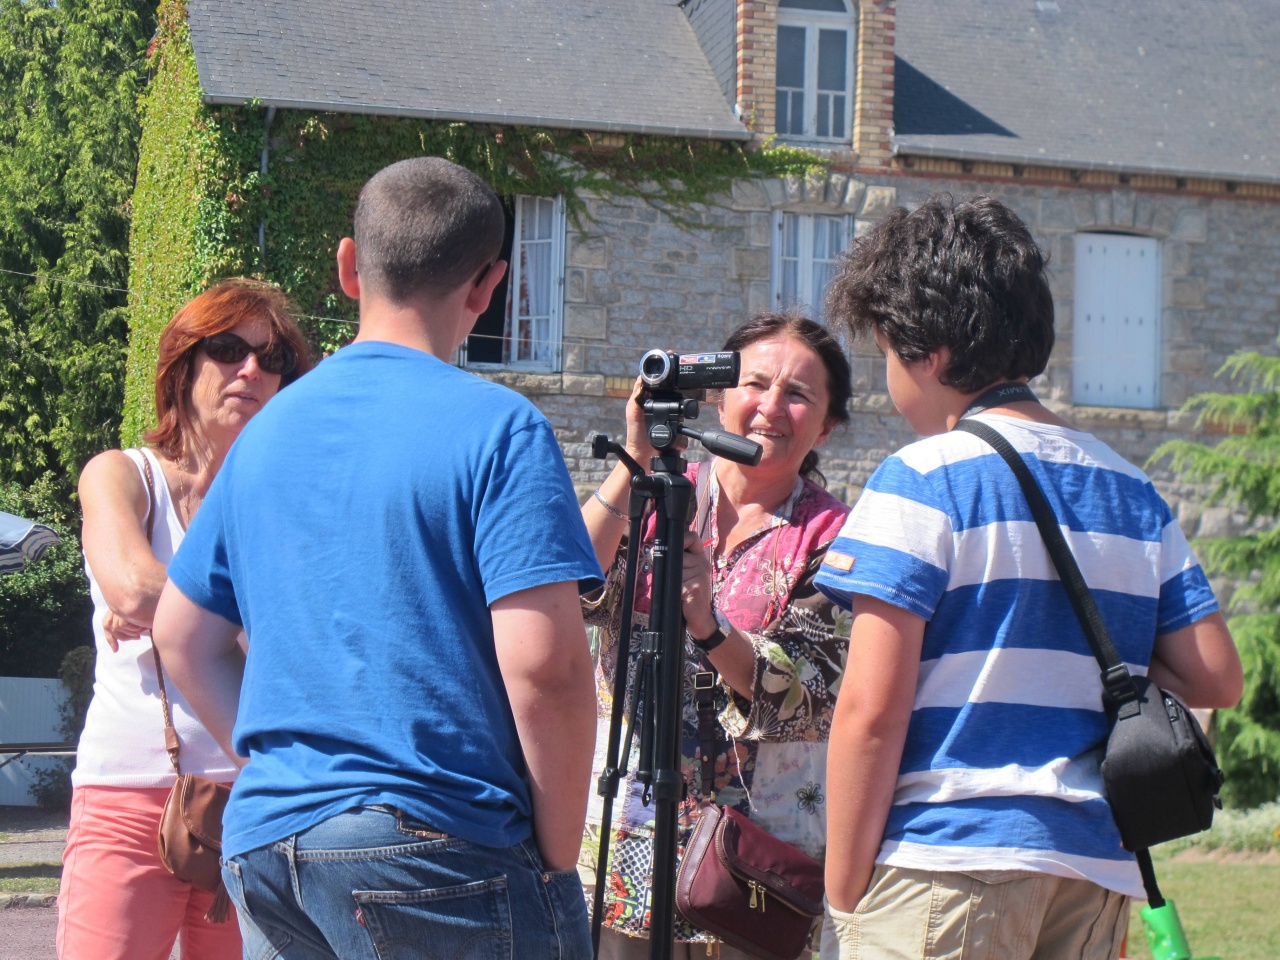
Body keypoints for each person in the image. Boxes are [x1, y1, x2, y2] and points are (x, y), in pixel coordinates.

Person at [150, 156, 603, 960]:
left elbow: (183, 634)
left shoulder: (266, 436)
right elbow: (548, 670)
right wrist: (558, 855)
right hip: (437, 841)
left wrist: (281, 762)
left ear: (350, 267)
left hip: (269, 842)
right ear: (489, 285)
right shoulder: (500, 428)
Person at [814, 195, 1244, 960]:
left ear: (929, 354)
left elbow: (870, 712)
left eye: (885, 353)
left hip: (947, 861)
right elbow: (1216, 676)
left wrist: (844, 894)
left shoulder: (920, 478)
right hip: (1093, 870)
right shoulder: (1131, 490)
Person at [583, 311, 854, 958]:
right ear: (721, 394)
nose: (770, 407)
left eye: (798, 394)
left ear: (829, 424)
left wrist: (708, 623)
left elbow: (808, 692)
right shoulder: (655, 495)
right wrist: (635, 460)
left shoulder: (835, 535)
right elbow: (571, 581)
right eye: (755, 384)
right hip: (626, 837)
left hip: (748, 864)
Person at [59, 279, 311, 960]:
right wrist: (243, 622)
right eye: (228, 349)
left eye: (274, 358)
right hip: (131, 793)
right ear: (182, 366)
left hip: (258, 799)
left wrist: (169, 613)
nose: (252, 371)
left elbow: (312, 630)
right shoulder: (121, 475)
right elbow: (133, 586)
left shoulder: (284, 506)